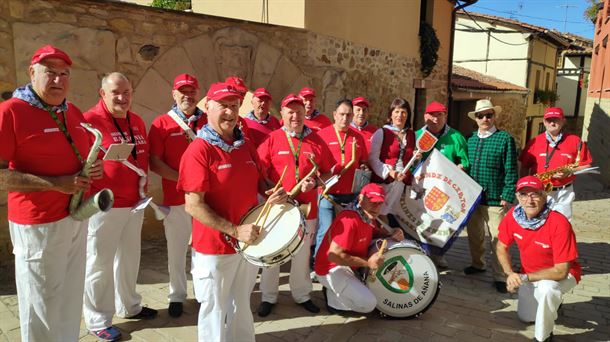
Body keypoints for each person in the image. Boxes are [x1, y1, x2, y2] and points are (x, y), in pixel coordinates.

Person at [0, 45, 103, 342]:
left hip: (75, 215)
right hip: (37, 224)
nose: (58, 80)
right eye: (50, 73)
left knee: (70, 295)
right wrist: (54, 183)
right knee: (40, 302)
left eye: (64, 74)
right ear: (32, 73)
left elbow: (79, 158)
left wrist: (90, 170)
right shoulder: (11, 112)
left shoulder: (72, 111)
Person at [177, 82, 286, 341]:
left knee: (241, 304)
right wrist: (235, 230)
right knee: (214, 310)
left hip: (248, 243)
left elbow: (260, 180)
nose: (230, 112)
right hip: (215, 248)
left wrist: (272, 191)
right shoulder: (199, 150)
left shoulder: (244, 144)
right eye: (223, 106)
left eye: (234, 106)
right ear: (208, 107)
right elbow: (193, 204)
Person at [83, 72, 156, 341]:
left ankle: (130, 305)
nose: (122, 98)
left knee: (129, 259)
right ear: (103, 93)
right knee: (99, 264)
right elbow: (80, 162)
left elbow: (143, 157)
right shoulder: (89, 121)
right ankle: (97, 319)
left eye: (127, 92)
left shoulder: (136, 120)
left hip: (135, 203)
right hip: (104, 205)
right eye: (115, 92)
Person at [256, 93, 333, 317]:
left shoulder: (316, 140)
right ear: (282, 114)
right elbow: (258, 171)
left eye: (299, 112)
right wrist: (270, 190)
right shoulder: (272, 139)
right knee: (272, 254)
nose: (295, 116)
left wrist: (317, 183)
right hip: (278, 207)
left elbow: (328, 171)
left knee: (301, 255)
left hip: (306, 208)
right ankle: (268, 297)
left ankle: (302, 295)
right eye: (290, 112)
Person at [496, 176, 581, 342]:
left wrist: (524, 277)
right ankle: (553, 304)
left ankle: (543, 337)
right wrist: (510, 273)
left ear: (544, 196)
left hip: (563, 274)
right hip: (529, 274)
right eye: (523, 195)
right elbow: (501, 247)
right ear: (518, 197)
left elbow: (561, 271)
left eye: (534, 194)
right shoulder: (514, 215)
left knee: (547, 290)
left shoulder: (559, 222)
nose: (529, 200)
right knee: (526, 317)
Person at [148, 73, 205, 318]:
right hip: (176, 198)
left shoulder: (207, 122)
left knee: (203, 250)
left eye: (192, 91)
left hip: (205, 199)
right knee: (177, 249)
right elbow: (155, 163)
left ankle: (204, 293)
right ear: (174, 94)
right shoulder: (161, 124)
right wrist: (184, 182)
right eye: (182, 90)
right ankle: (177, 296)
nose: (187, 95)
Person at [314, 183, 404, 314]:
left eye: (380, 203)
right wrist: (368, 263)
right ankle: (332, 291)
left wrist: (392, 233)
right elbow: (333, 256)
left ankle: (335, 297)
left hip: (347, 265)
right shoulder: (349, 220)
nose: (376, 207)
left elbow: (372, 232)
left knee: (360, 298)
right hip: (331, 268)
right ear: (361, 199)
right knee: (369, 304)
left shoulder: (365, 214)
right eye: (372, 202)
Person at [464, 99, 518, 293]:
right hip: (473, 199)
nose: (485, 118)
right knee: (475, 235)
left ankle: (500, 276)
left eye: (488, 115)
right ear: (476, 119)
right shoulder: (469, 138)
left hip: (496, 199)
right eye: (481, 115)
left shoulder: (505, 139)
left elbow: (511, 169)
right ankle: (478, 264)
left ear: (494, 116)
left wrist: (508, 193)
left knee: (498, 240)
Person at [415, 101, 470, 268]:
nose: (435, 118)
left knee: (442, 224)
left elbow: (465, 163)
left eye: (439, 115)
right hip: (421, 189)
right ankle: (419, 253)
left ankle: (438, 255)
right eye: (432, 114)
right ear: (425, 116)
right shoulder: (417, 135)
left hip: (445, 191)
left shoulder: (456, 137)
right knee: (419, 221)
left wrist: (459, 168)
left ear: (445, 116)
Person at [519, 107, 592, 221]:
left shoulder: (575, 141)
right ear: (544, 122)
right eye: (549, 120)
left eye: (556, 119)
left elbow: (587, 165)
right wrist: (524, 189)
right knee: (538, 222)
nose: (552, 122)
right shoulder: (535, 141)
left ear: (563, 121)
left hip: (564, 192)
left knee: (562, 223)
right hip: (539, 191)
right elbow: (524, 166)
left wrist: (570, 171)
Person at [315, 98, 368, 250]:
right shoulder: (322, 135)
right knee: (325, 231)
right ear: (334, 115)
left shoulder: (358, 137)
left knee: (348, 233)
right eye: (342, 114)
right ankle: (318, 267)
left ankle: (341, 267)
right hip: (328, 194)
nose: (345, 119)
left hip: (351, 195)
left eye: (349, 115)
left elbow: (363, 161)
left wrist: (364, 167)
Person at [368, 98, 416, 223]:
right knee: (380, 216)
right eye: (397, 111)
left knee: (397, 217)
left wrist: (415, 157)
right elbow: (372, 159)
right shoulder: (382, 132)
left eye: (403, 112)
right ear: (391, 114)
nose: (400, 115)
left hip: (402, 183)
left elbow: (408, 159)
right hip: (384, 182)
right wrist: (389, 172)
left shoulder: (411, 135)